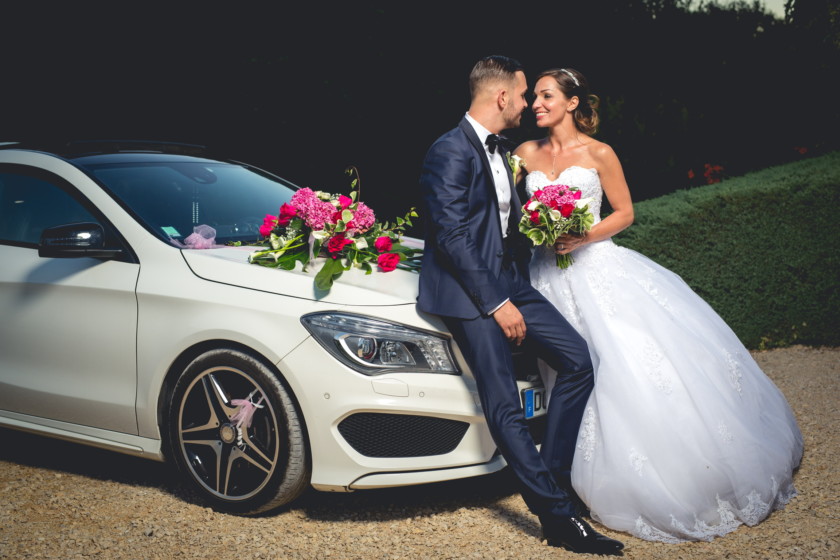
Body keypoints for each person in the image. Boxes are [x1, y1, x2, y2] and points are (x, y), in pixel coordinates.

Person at [512, 67, 804, 543]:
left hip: (593, 268)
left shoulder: (599, 153)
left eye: (546, 96)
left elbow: (625, 212)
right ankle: (563, 471)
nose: (537, 104)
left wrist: (580, 235)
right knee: (562, 369)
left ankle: (628, 474)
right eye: (535, 97)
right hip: (543, 277)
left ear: (571, 102)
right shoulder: (523, 154)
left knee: (619, 364)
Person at [417, 55, 624, 555]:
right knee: (504, 404)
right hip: (470, 295)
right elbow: (451, 236)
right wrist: (496, 304)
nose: (530, 103)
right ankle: (557, 518)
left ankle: (552, 476)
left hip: (510, 280)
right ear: (502, 97)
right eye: (525, 93)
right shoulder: (449, 150)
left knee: (577, 361)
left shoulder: (504, 150)